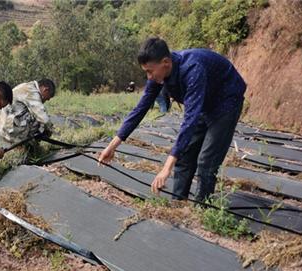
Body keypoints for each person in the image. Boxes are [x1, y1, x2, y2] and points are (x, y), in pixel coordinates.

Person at [98, 37, 246, 202]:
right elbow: (140, 109)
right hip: (204, 103)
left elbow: (190, 120)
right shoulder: (158, 75)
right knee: (184, 155)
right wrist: (112, 146)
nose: (149, 77)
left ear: (166, 62)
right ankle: (178, 203)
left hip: (226, 102)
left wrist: (166, 168)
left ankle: (202, 208)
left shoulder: (192, 69)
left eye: (149, 71)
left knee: (206, 161)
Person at [0, 78, 56, 144]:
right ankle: (22, 142)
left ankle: (26, 142)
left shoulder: (28, 86)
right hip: (9, 128)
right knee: (37, 119)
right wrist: (51, 131)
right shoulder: (31, 92)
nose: (47, 100)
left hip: (6, 124)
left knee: (37, 117)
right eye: (48, 97)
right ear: (46, 90)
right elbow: (43, 118)